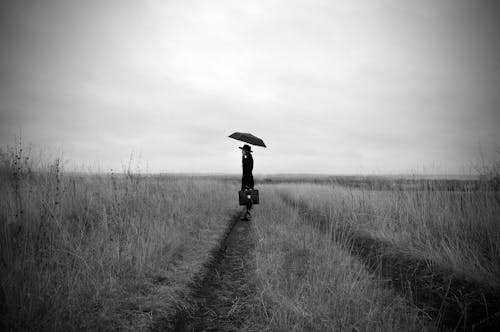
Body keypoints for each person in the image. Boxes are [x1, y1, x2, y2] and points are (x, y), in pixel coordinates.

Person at [240, 144, 254, 220]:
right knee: (247, 197)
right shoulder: (247, 157)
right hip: (246, 179)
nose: (242, 151)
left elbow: (247, 169)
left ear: (246, 151)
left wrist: (243, 159)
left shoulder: (249, 158)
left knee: (248, 197)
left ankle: (248, 214)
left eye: (243, 150)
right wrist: (243, 158)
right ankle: (247, 214)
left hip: (248, 180)